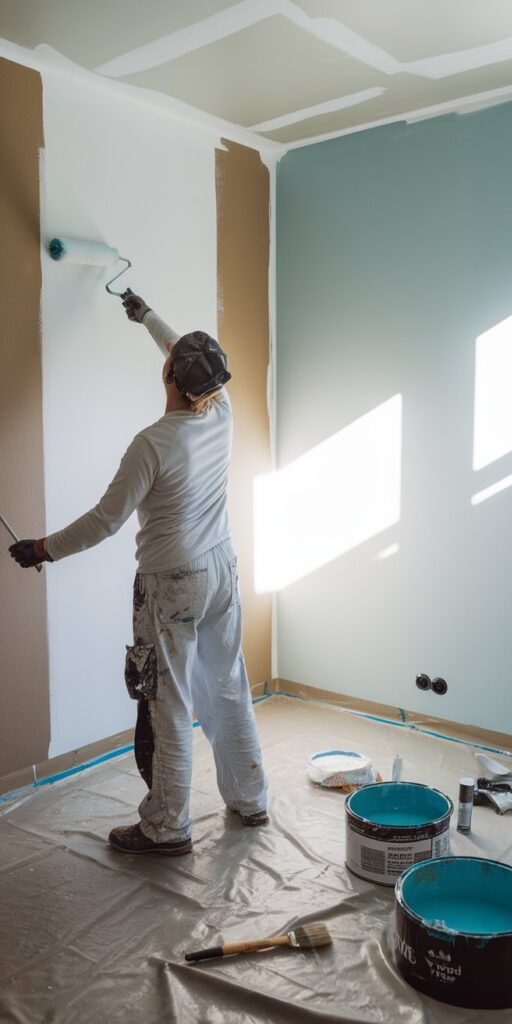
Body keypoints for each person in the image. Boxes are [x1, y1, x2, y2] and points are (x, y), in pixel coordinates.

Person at [10, 290, 268, 855]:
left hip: (172, 582)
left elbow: (106, 521)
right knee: (227, 683)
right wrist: (146, 315)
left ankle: (167, 827)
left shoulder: (151, 444)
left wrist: (43, 549)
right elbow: (179, 349)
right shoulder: (221, 409)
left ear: (170, 378)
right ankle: (250, 800)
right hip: (222, 569)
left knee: (168, 701)